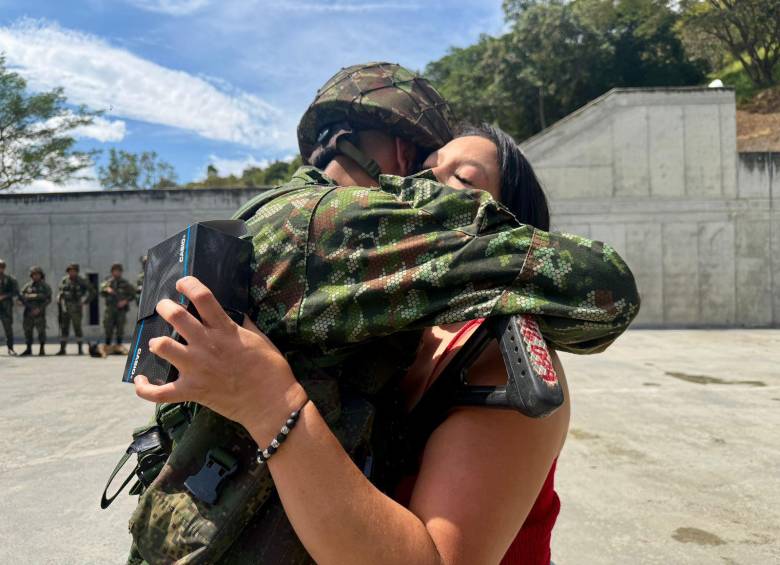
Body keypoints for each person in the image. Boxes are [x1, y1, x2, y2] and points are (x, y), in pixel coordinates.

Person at [57, 263, 96, 356]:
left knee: (77, 328)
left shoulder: (82, 280)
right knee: (64, 328)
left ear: (77, 272)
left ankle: (80, 349)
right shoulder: (64, 280)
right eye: (70, 271)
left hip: (76, 308)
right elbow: (60, 291)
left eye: (74, 271)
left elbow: (92, 292)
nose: (72, 272)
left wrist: (85, 302)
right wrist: (59, 298)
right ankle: (62, 349)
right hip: (65, 308)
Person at [99, 263, 135, 351]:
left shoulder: (125, 283)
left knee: (120, 328)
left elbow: (133, 294)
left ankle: (119, 346)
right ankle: (107, 346)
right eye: (115, 271)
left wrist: (125, 301)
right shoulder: (107, 282)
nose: (116, 273)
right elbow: (101, 290)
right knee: (108, 327)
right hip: (110, 309)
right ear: (112, 272)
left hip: (120, 310)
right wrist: (106, 289)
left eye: (118, 271)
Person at [19, 266, 52, 357]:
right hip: (28, 312)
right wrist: (22, 301)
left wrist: (39, 309)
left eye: (37, 274)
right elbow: (21, 296)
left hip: (39, 313)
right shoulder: (28, 286)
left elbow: (48, 299)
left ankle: (42, 349)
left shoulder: (45, 286)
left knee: (41, 331)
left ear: (41, 275)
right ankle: (28, 348)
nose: (35, 276)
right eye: (33, 274)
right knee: (28, 331)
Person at [0, 259, 21, 355]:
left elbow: (16, 291)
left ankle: (10, 348)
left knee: (8, 328)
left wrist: (5, 296)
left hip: (6, 307)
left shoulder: (10, 279)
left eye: (2, 267)